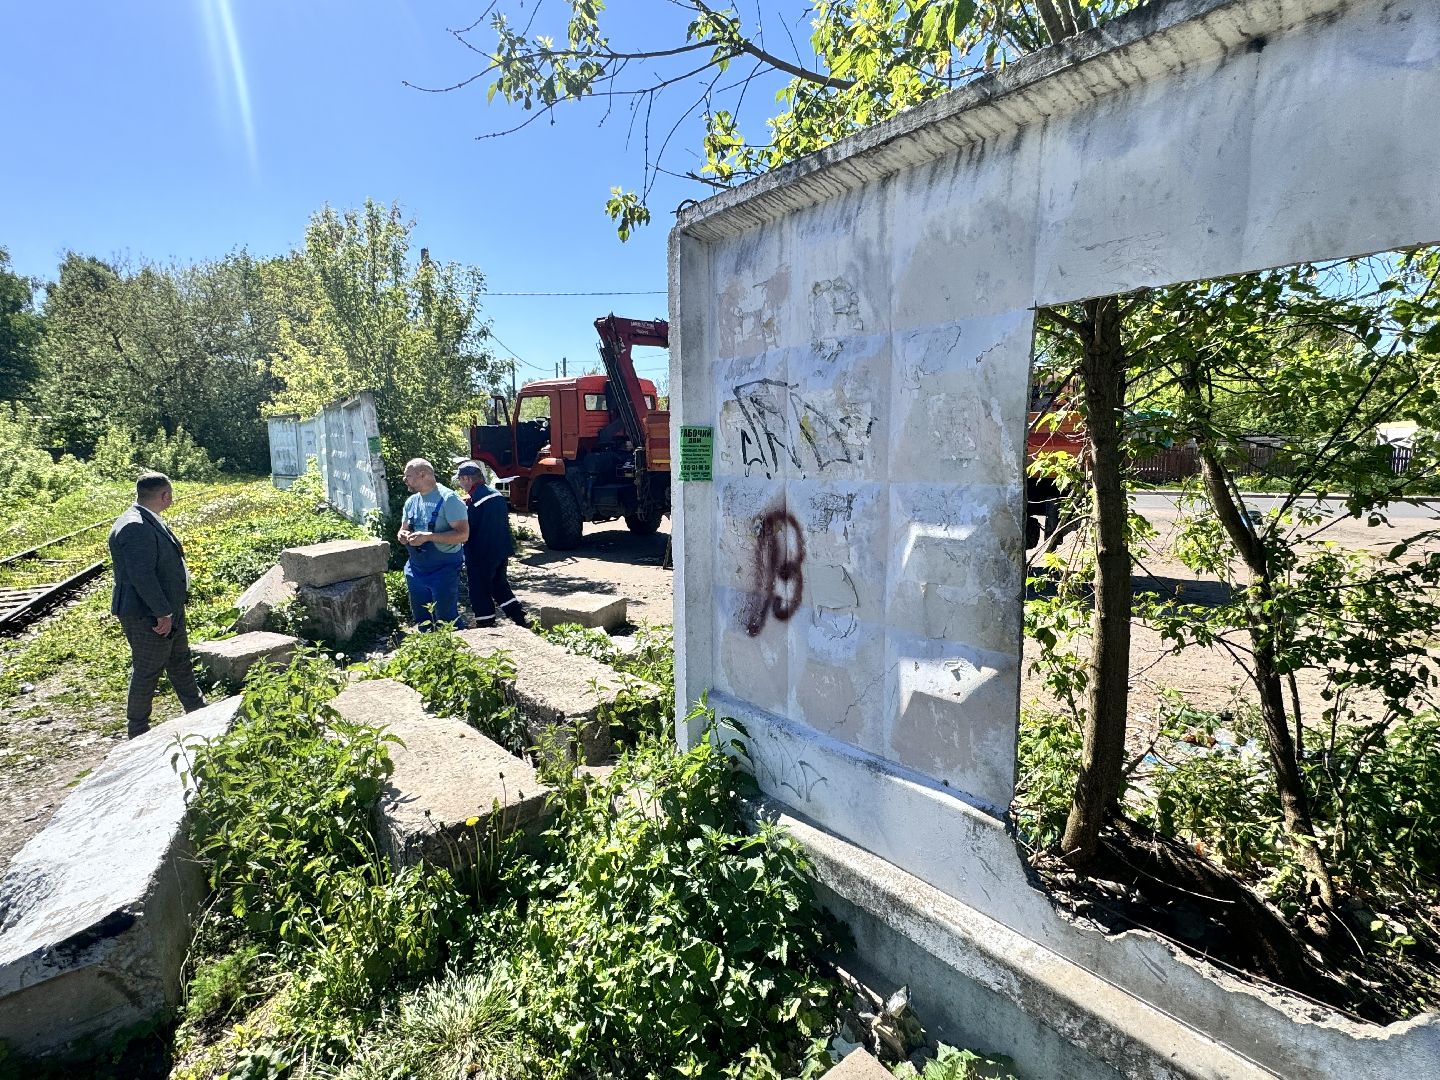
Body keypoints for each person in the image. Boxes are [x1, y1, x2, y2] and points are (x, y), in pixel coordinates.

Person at [108, 471, 206, 739]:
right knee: (148, 669)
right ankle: (137, 729)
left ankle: (197, 710)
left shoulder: (146, 519)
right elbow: (142, 576)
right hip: (148, 614)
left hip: (167, 609)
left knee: (179, 661)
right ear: (164, 495)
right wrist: (161, 612)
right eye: (170, 494)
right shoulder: (135, 526)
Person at [452, 460, 527, 627]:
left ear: (467, 479)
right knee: (499, 585)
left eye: (460, 479)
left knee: (479, 590)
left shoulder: (472, 502)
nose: (460, 483)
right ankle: (518, 616)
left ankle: (485, 623)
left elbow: (467, 527)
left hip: (481, 554)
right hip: (501, 550)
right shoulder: (496, 494)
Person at [397, 458, 469, 630]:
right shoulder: (411, 502)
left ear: (422, 475)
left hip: (443, 570)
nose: (404, 480)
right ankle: (429, 654)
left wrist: (429, 537)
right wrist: (402, 535)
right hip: (416, 569)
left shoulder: (449, 499)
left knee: (447, 620)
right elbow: (402, 529)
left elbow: (463, 535)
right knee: (423, 619)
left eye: (408, 476)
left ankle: (457, 653)